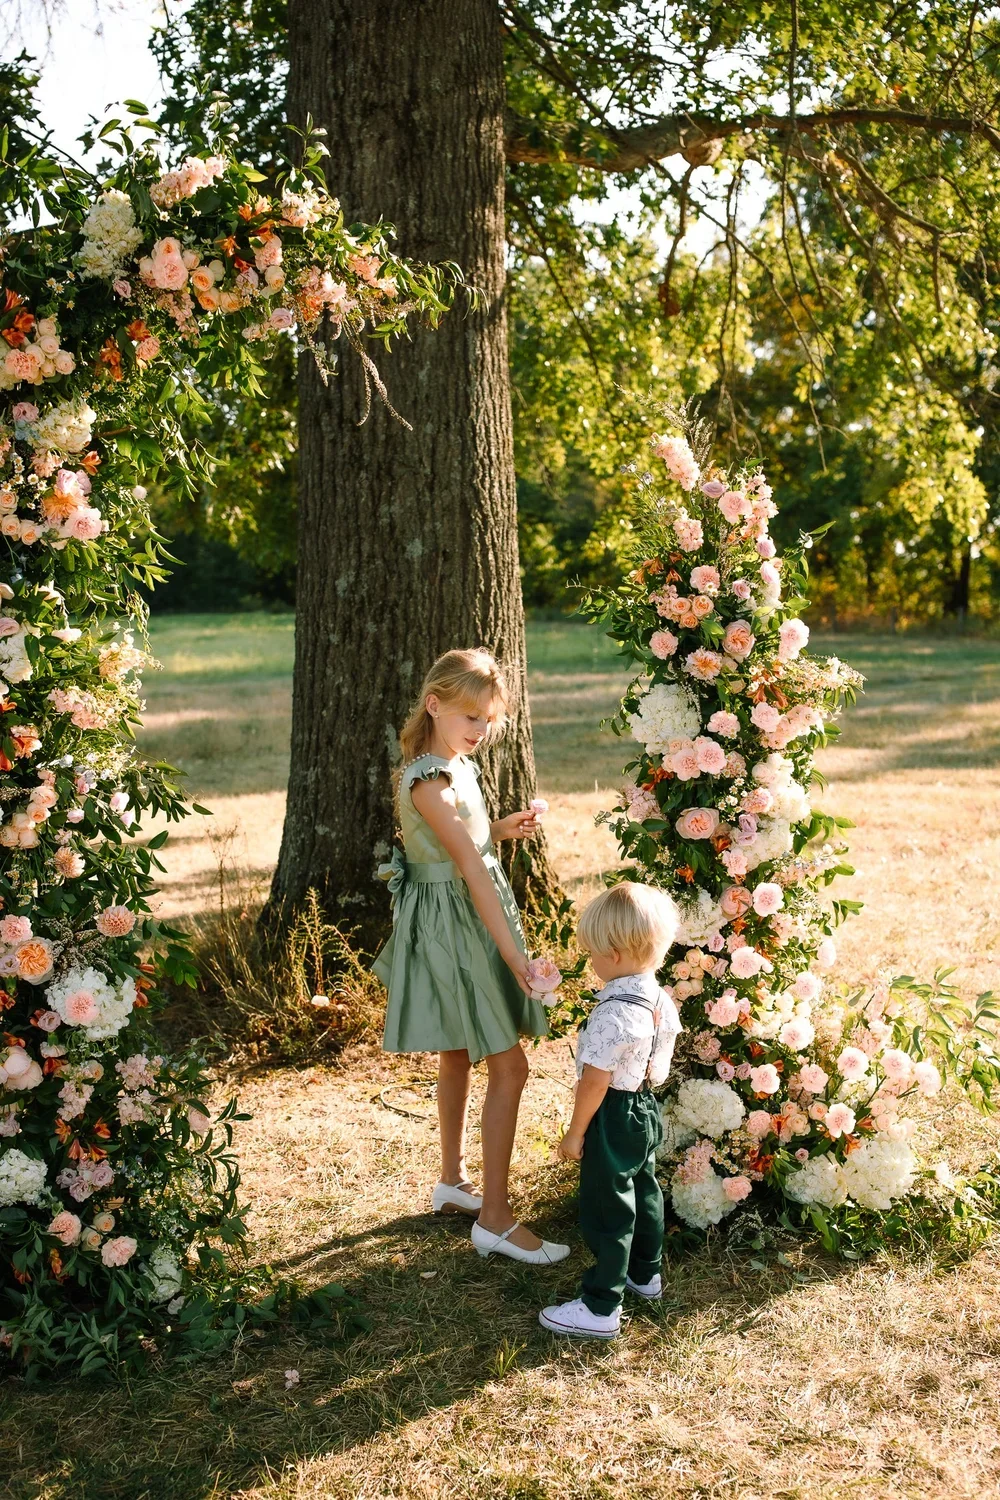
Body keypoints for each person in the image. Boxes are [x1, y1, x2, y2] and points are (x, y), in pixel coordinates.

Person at [373, 647, 569, 1266]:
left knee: (458, 1050)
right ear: (434, 705)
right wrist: (516, 958)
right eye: (470, 717)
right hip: (454, 923)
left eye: (488, 721)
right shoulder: (429, 781)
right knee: (509, 1066)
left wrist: (501, 830)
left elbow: (466, 845)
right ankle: (495, 1217)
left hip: (462, 910)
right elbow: (468, 871)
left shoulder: (456, 768)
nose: (480, 732)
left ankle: (452, 1181)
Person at [540, 882, 681, 1338]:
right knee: (644, 1189)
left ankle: (601, 1306)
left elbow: (594, 1082)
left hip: (614, 1112)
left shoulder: (613, 1013)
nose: (593, 963)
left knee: (609, 1205)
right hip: (645, 1105)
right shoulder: (661, 1001)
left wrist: (575, 1132)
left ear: (616, 954)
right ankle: (646, 1274)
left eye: (595, 954)